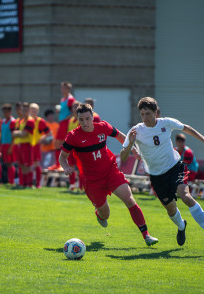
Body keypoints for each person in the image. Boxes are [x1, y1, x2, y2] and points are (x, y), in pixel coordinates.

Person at [120, 97, 204, 246]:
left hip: (174, 167)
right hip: (156, 177)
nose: (145, 118)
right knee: (171, 210)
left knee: (186, 196)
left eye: (148, 113)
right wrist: (130, 143)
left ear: (156, 112)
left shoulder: (166, 122)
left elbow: (185, 127)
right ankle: (182, 226)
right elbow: (123, 157)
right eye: (142, 114)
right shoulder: (136, 131)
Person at [59, 103, 158, 247]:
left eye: (87, 118)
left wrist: (132, 148)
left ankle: (146, 236)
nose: (85, 123)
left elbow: (120, 136)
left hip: (110, 171)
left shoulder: (103, 126)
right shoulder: (73, 136)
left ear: (93, 117)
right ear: (77, 119)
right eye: (81, 120)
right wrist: (66, 167)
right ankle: (99, 214)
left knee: (129, 199)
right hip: (91, 180)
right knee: (105, 215)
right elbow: (62, 157)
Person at [48, 81, 76, 171]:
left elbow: (74, 112)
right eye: (62, 88)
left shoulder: (71, 99)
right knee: (57, 143)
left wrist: (66, 119)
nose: (62, 90)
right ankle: (57, 164)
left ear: (68, 89)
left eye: (64, 88)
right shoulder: (63, 99)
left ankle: (62, 164)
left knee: (62, 143)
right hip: (62, 122)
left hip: (66, 123)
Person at [12, 102, 35, 188]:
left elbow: (24, 133)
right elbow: (15, 133)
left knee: (27, 165)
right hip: (20, 145)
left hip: (27, 145)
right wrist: (18, 133)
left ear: (29, 111)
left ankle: (29, 183)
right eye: (23, 110)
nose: (24, 111)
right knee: (21, 164)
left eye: (26, 110)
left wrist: (17, 133)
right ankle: (24, 183)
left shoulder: (30, 120)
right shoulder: (21, 121)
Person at [29, 103, 52, 188]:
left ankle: (38, 183)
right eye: (32, 110)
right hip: (28, 145)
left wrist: (41, 138)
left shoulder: (40, 121)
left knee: (36, 164)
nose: (33, 111)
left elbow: (49, 133)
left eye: (35, 110)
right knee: (28, 165)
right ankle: (29, 183)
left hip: (36, 146)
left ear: (38, 111)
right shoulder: (27, 120)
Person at [0, 103, 16, 185]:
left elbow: (14, 136)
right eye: (4, 112)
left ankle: (11, 181)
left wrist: (11, 147)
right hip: (4, 144)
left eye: (7, 111)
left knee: (10, 163)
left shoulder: (12, 121)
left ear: (10, 112)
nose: (5, 113)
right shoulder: (2, 121)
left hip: (10, 144)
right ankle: (8, 180)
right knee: (6, 163)